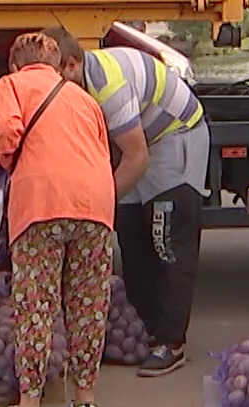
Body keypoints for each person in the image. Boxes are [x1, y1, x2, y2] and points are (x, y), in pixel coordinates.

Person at [41, 25, 208, 377]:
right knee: (130, 234)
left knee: (167, 239)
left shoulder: (108, 86)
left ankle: (171, 341)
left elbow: (137, 158)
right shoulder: (73, 84)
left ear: (71, 66)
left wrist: (97, 206)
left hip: (173, 136)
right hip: (134, 142)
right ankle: (145, 329)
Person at [0, 32, 116, 407]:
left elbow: (4, 130)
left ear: (14, 64)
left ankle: (30, 406)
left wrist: (3, 156)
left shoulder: (12, 86)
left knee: (36, 305)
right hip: (94, 205)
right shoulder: (84, 99)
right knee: (89, 303)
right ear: (60, 66)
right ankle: (86, 400)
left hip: (40, 204)